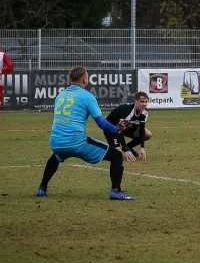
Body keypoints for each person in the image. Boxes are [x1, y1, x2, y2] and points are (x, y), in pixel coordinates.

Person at [36, 66, 135, 200]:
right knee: (116, 155)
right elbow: (101, 123)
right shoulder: (87, 96)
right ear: (84, 79)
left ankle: (42, 188)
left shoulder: (60, 95)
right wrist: (116, 129)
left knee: (57, 155)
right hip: (76, 142)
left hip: (55, 141)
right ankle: (116, 191)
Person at [105, 92, 152, 162]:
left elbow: (142, 129)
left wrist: (142, 147)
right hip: (111, 127)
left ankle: (129, 147)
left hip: (126, 128)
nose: (144, 104)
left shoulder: (144, 112)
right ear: (136, 101)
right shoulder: (127, 111)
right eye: (142, 102)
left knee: (147, 134)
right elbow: (119, 130)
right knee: (116, 154)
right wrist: (125, 148)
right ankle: (99, 152)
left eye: (146, 102)